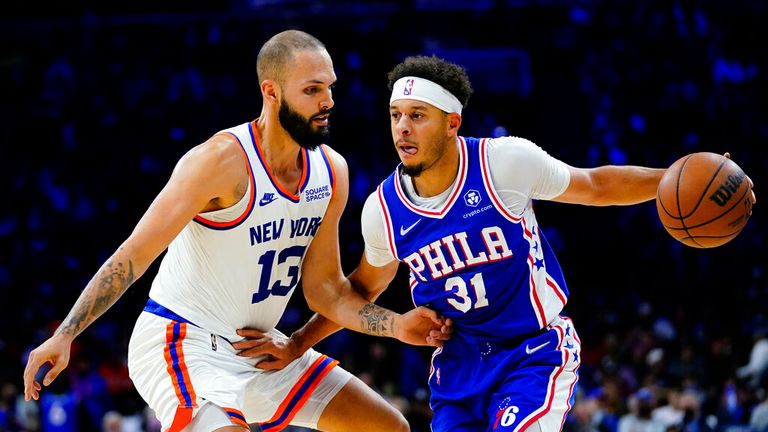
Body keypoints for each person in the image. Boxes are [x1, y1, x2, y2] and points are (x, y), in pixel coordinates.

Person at [22, 31, 451, 432]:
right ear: (271, 92)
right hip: (181, 342)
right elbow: (133, 255)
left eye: (330, 87)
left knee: (389, 426)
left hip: (261, 349)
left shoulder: (330, 171)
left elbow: (327, 292)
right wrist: (66, 334)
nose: (328, 101)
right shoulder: (220, 162)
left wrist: (395, 326)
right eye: (312, 90)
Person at [315, 54, 755, 432]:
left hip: (532, 353)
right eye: (396, 115)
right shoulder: (382, 210)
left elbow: (594, 186)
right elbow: (358, 292)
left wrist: (674, 180)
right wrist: (301, 343)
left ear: (452, 123)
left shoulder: (503, 164)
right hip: (457, 369)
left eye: (417, 115)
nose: (402, 128)